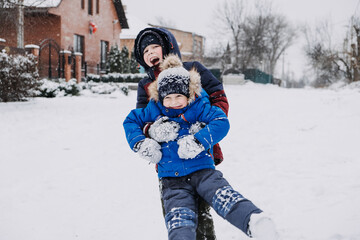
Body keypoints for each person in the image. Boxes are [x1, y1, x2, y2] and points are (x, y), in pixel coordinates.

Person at [123, 54, 278, 240]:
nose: (173, 102)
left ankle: (254, 221)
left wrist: (199, 141)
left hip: (203, 171)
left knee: (223, 195)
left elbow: (221, 121)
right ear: (160, 96)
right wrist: (142, 143)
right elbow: (130, 121)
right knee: (179, 219)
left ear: (188, 94)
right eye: (168, 97)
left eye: (179, 96)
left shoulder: (199, 106)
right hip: (172, 180)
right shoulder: (153, 109)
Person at [133, 27, 228, 239]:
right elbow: (142, 120)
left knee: (202, 215)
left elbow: (219, 98)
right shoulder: (146, 85)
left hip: (200, 157)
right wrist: (152, 130)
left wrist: (204, 128)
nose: (150, 53)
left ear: (168, 47)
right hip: (169, 166)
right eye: (145, 51)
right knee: (176, 217)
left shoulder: (193, 69)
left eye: (154, 46)